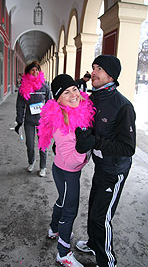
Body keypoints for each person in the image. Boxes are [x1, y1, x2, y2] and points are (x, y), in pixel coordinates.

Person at [75, 55, 136, 267]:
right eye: (93, 67)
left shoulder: (123, 106)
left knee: (102, 217)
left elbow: (128, 148)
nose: (93, 72)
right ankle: (93, 243)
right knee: (94, 209)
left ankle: (107, 261)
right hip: (101, 166)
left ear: (111, 75)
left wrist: (95, 141)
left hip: (115, 170)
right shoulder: (93, 98)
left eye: (99, 68)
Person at [37, 74, 95, 267]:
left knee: (62, 201)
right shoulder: (61, 123)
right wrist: (82, 149)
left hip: (62, 169)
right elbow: (72, 161)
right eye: (66, 92)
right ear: (57, 99)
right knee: (70, 210)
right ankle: (63, 253)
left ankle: (54, 229)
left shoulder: (74, 112)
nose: (73, 95)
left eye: (75, 89)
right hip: (68, 171)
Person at [15, 61, 52, 177]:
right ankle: (31, 161)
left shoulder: (45, 86)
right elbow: (20, 105)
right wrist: (19, 120)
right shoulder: (23, 87)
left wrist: (50, 117)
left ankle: (43, 166)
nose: (35, 72)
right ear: (28, 72)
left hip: (42, 121)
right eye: (32, 70)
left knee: (43, 145)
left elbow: (50, 102)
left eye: (37, 70)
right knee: (30, 144)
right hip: (29, 121)